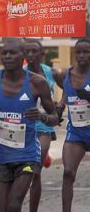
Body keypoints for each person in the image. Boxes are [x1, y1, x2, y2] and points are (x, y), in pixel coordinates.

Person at [0, 38, 58, 212]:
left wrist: (42, 116)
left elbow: (54, 117)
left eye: (12, 53)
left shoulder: (37, 82)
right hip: (2, 156)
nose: (7, 57)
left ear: (23, 57)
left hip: (27, 155)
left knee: (14, 206)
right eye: (4, 53)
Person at [23, 39, 64, 212]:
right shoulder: (19, 73)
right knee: (22, 171)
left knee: (35, 170)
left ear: (42, 54)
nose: (31, 55)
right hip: (24, 128)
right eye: (28, 52)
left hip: (44, 126)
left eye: (35, 52)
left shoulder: (51, 73)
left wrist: (61, 105)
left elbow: (69, 87)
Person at [60, 38, 90, 212]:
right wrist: (59, 107)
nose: (81, 55)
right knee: (68, 173)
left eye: (86, 51)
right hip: (76, 132)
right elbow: (65, 94)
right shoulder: (67, 74)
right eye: (78, 51)